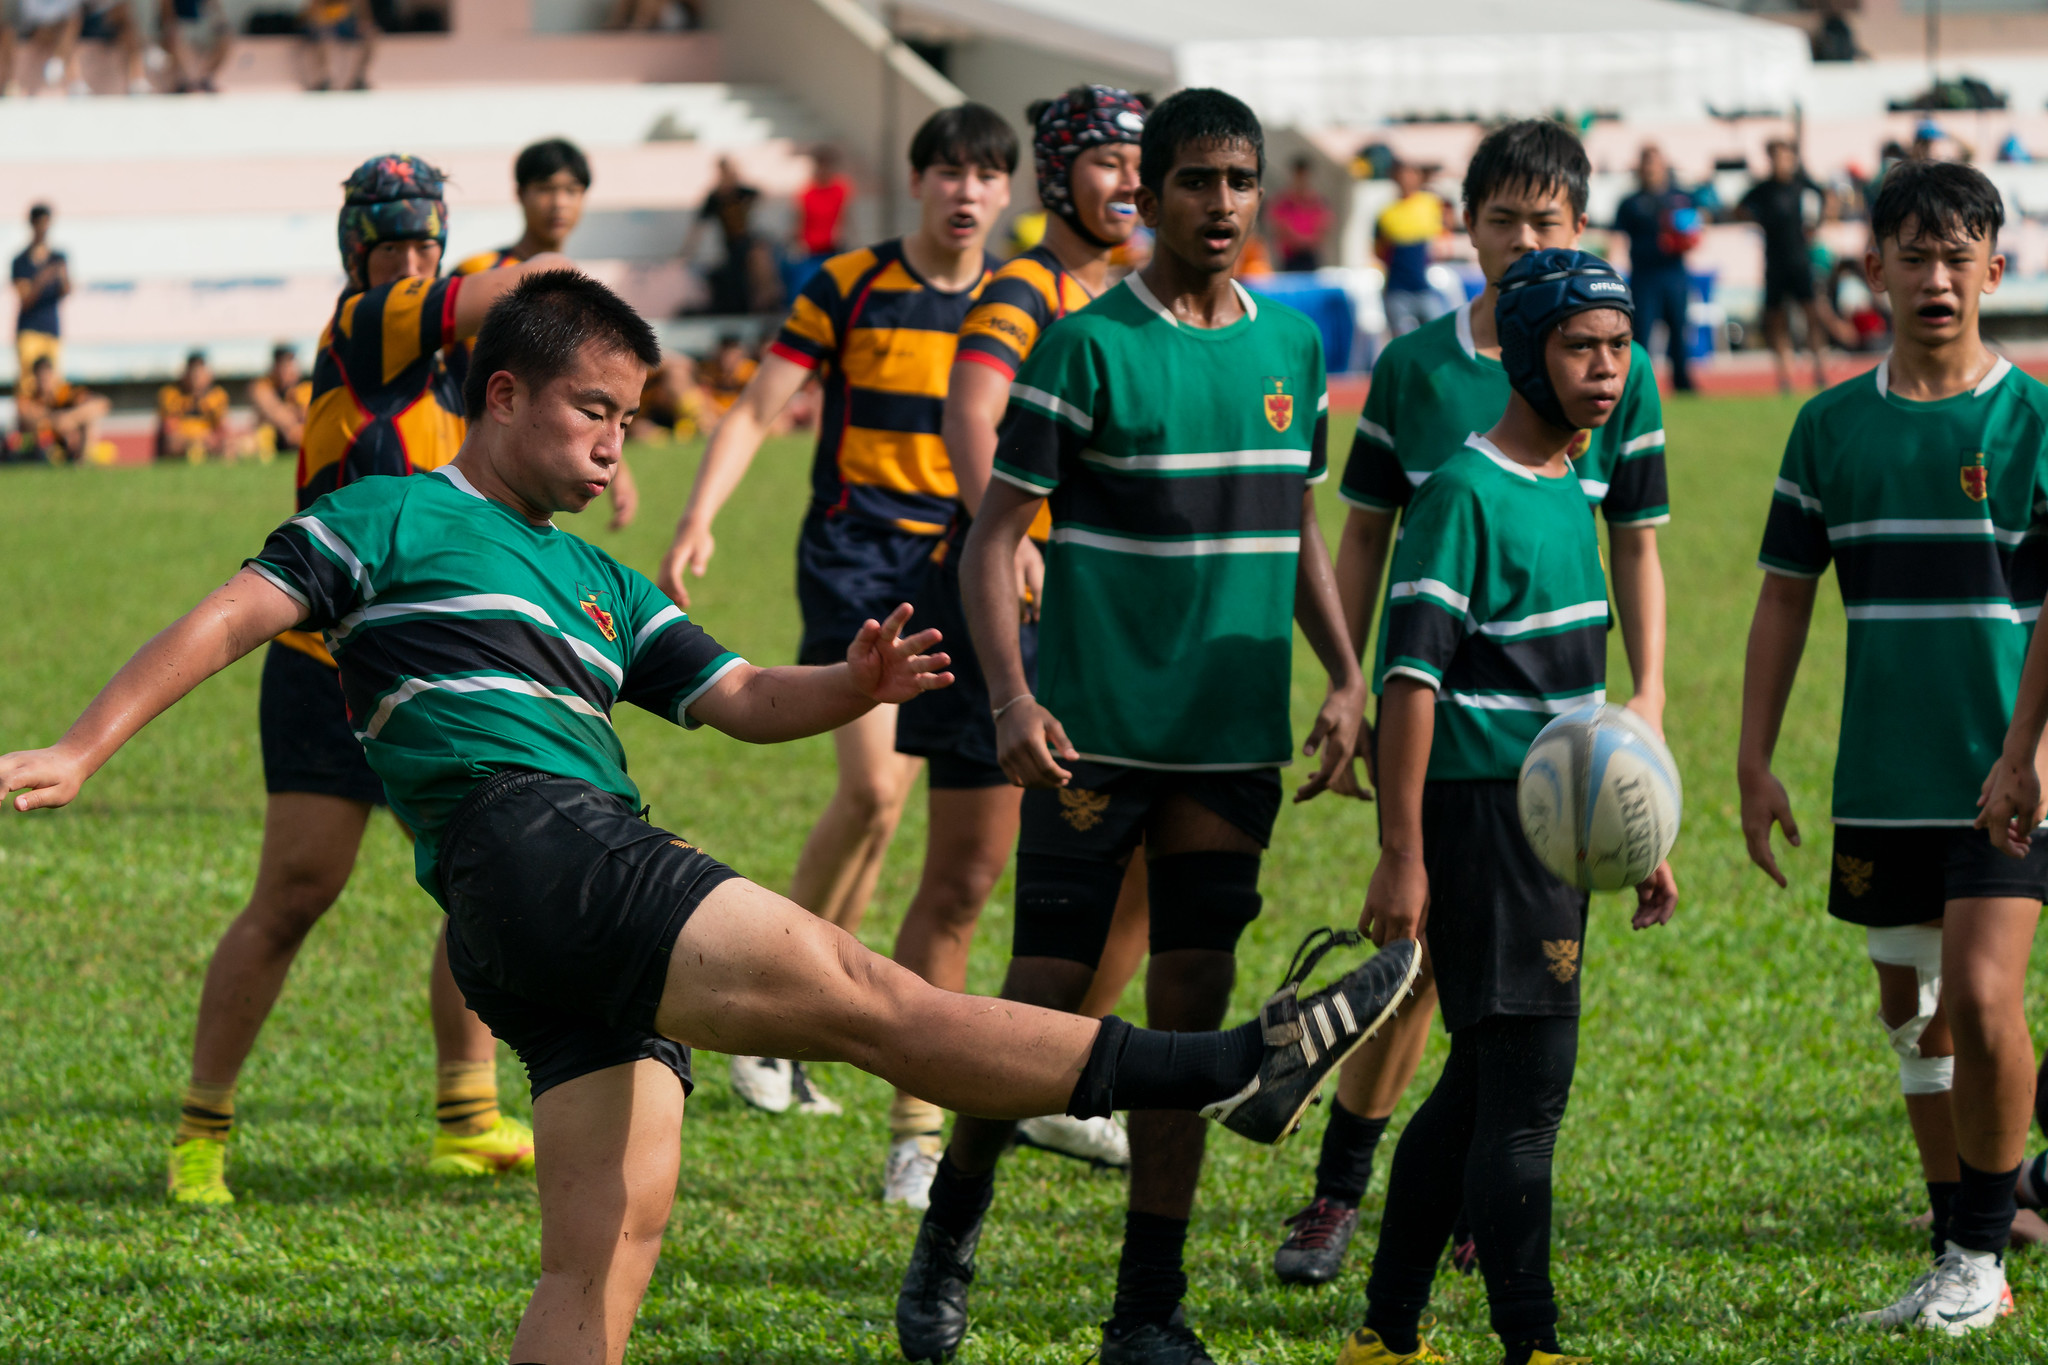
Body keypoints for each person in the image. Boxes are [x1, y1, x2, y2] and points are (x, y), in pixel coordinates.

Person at [0, 269, 1423, 1363]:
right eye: (593, 412)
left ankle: (1219, 1066)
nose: (620, 450)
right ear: (500, 396)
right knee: (873, 999)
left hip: (527, 927)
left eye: (631, 421)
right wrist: (80, 743)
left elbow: (738, 697)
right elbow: (231, 615)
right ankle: (1233, 1062)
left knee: (604, 1252)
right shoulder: (388, 516)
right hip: (543, 844)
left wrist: (848, 680)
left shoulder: (602, 584)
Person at [895, 88, 1373, 1365]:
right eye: (1194, 181)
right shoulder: (1086, 345)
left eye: (1238, 180)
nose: (1219, 204)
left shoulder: (1287, 352)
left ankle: (1145, 1310)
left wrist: (1343, 671)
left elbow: (1297, 528)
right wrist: (1008, 696)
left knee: (1186, 1024)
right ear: (1144, 195)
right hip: (1090, 739)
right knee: (1041, 1002)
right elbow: (992, 538)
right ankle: (951, 1224)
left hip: (1228, 745)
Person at [1289, 118, 1670, 1290]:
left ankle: (1456, 1212)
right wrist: (1346, 684)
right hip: (1451, 728)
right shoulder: (1418, 376)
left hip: (1564, 730)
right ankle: (1345, 1192)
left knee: (1487, 1010)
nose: (1518, 239)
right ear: (1464, 224)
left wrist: (1645, 704)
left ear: (1577, 226)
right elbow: (1364, 538)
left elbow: (1634, 548)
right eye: (1499, 217)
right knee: (1432, 980)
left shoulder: (1610, 364)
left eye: (1542, 221)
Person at [157, 154, 576, 1208]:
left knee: (484, 879)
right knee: (296, 895)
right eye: (391, 243)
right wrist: (547, 260)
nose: (410, 259)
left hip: (431, 666)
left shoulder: (459, 370)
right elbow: (502, 290)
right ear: (357, 253)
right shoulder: (365, 327)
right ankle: (201, 1132)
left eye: (424, 241)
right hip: (319, 660)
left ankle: (465, 1118)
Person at [653, 105, 1016, 1118]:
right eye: (948, 171)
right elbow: (761, 409)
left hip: (958, 564)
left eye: (985, 175)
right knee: (871, 793)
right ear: (918, 182)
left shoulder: (1018, 300)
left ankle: (801, 1018)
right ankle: (765, 1005)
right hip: (855, 561)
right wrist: (697, 518)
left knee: (889, 810)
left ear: (1004, 192)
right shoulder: (849, 286)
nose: (965, 191)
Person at [1742, 158, 2048, 1336]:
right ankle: (1955, 1238)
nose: (1933, 277)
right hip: (1881, 771)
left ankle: (1981, 1252)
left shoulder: (2028, 420)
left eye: (1955, 256)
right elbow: (1779, 601)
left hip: (2002, 766)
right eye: (1910, 255)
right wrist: (1751, 760)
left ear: (1992, 267)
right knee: (1912, 1013)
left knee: (1978, 1000)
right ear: (1868, 268)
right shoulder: (1826, 429)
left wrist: (2026, 750)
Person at [879, 84, 1153, 1208]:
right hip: (996, 610)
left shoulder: (1136, 292)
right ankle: (914, 1127)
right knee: (964, 880)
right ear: (1055, 177)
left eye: (1144, 162)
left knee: (1138, 866)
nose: (1129, 182)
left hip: (1106, 627)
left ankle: (1048, 1075)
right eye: (1106, 162)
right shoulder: (1021, 287)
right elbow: (969, 409)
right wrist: (1019, 528)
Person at [454, 137, 639, 532]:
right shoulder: (480, 275)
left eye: (571, 190)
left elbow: (594, 392)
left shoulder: (582, 290)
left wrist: (619, 474)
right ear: (520, 194)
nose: (559, 204)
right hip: (466, 459)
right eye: (545, 189)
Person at [1736, 139, 1835, 393]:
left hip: (1800, 261)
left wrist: (1818, 225)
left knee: (1812, 315)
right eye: (1777, 156)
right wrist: (1757, 221)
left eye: (1786, 156)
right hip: (1775, 263)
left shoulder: (1801, 183)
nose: (1781, 161)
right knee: (1776, 320)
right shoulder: (1763, 189)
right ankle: (1785, 376)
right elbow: (1738, 209)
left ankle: (1819, 369)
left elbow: (1829, 197)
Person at [1612, 144, 1701, 393]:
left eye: (1655, 163)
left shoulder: (1681, 197)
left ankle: (1683, 383)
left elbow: (1696, 229)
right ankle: (1640, 386)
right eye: (1646, 164)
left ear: (1663, 165)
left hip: (1674, 273)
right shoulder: (1630, 202)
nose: (1651, 169)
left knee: (1679, 329)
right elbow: (1617, 236)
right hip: (1644, 275)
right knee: (1642, 331)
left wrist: (1685, 238)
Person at [683, 155, 779, 315]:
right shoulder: (715, 197)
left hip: (747, 240)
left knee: (760, 254)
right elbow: (699, 225)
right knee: (754, 257)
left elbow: (762, 193)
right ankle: (761, 300)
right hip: (731, 245)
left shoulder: (741, 192)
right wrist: (687, 250)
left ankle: (767, 297)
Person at [1375, 159, 1451, 336]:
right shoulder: (1386, 213)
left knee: (1437, 337)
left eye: (1411, 174)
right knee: (1401, 342)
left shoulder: (1431, 204)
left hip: (1425, 286)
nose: (1407, 179)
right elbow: (1379, 250)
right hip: (1396, 289)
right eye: (1402, 175)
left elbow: (1445, 231)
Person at [15, 353, 107, 463]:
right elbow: (23, 414)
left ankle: (82, 460)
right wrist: (53, 420)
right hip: (43, 444)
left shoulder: (64, 392)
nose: (44, 380)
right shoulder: (30, 396)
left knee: (89, 420)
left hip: (67, 440)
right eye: (41, 376)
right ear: (34, 377)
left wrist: (70, 418)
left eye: (47, 375)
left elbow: (101, 404)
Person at [13, 204, 68, 382]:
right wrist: (43, 278)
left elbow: (66, 291)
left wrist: (63, 277)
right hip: (29, 329)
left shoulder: (57, 257)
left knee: (53, 383)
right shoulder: (21, 261)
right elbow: (25, 299)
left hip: (52, 328)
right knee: (29, 383)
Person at [155, 349, 230, 462]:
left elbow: (223, 431)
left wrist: (212, 441)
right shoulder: (171, 394)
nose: (196, 375)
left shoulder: (218, 395)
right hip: (182, 446)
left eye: (200, 370)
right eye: (192, 370)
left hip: (208, 446)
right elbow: (170, 434)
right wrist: (195, 440)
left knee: (229, 446)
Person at [1270, 154, 1331, 272]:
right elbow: (1279, 228)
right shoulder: (1283, 202)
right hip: (1289, 259)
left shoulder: (1318, 202)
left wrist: (1304, 241)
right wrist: (1302, 240)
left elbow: (1323, 229)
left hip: (1312, 258)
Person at [249, 344, 311, 459]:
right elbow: (275, 412)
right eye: (282, 364)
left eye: (289, 363)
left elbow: (308, 416)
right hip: (276, 441)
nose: (286, 369)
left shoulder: (304, 389)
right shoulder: (263, 387)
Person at [300, 0, 375, 93]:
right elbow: (314, 12)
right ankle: (324, 79)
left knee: (371, 35)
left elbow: (363, 12)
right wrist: (322, 22)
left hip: (344, 22)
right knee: (323, 36)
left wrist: (363, 22)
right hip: (325, 23)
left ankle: (358, 79)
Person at [158, 0, 229, 93]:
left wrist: (220, 21)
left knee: (226, 38)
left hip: (200, 22)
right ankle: (190, 81)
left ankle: (203, 78)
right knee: (175, 38)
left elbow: (215, 6)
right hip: (179, 23)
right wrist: (169, 26)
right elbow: (166, 12)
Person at [796, 145, 852, 262]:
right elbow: (800, 220)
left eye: (827, 166)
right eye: (821, 166)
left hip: (835, 246)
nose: (824, 170)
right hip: (811, 248)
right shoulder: (807, 192)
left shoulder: (841, 189)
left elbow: (846, 216)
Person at [81, 0, 146, 94]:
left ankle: (137, 79)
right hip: (85, 23)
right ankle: (75, 81)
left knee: (128, 29)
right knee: (72, 23)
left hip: (108, 21)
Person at [20, 0, 82, 94]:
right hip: (38, 27)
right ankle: (68, 74)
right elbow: (30, 14)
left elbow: (72, 9)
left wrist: (56, 21)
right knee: (66, 33)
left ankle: (58, 61)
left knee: (72, 24)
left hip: (61, 24)